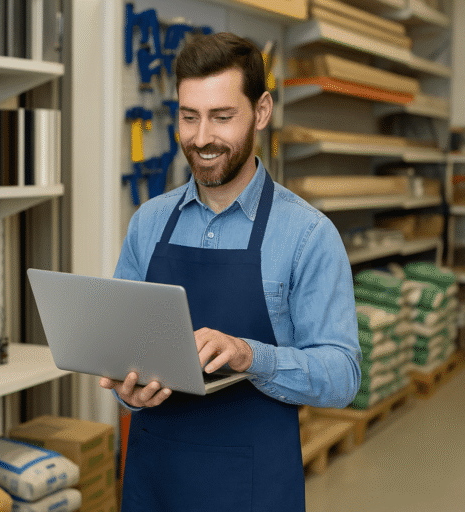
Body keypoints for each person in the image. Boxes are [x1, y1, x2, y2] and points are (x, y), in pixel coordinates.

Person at [99, 32, 361, 511]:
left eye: (222, 118)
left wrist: (248, 355)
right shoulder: (148, 223)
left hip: (253, 488)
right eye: (188, 117)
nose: (201, 139)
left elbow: (342, 375)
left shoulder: (307, 234)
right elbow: (123, 352)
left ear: (261, 111)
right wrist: (127, 391)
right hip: (153, 482)